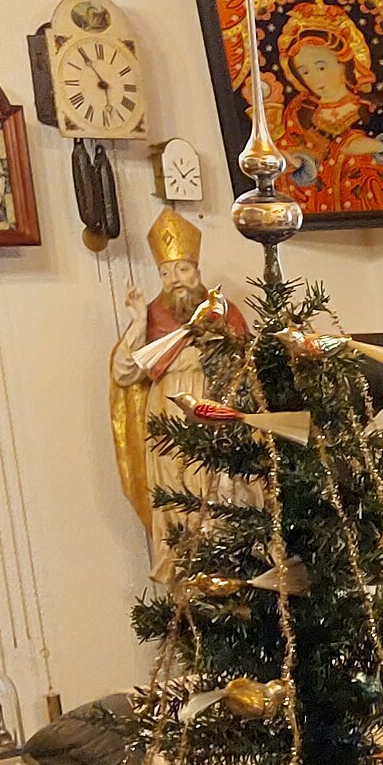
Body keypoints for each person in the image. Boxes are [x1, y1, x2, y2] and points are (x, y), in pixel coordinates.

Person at [108, 208, 251, 548]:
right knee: (175, 495)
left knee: (221, 492)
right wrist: (138, 324)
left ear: (197, 271)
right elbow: (124, 373)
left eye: (183, 269)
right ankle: (181, 566)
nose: (175, 279)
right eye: (166, 272)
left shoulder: (224, 312)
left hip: (217, 411)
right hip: (168, 417)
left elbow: (247, 366)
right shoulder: (151, 317)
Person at [267, 0, 383, 214]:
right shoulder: (299, 115)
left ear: (345, 63)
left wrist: (377, 147)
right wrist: (298, 164)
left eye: (321, 67)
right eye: (304, 71)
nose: (315, 78)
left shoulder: (377, 111)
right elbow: (300, 172)